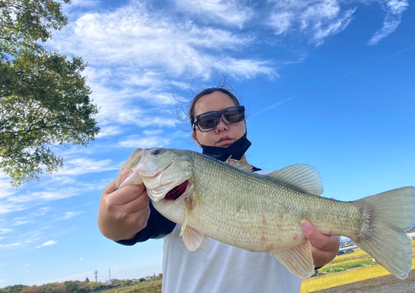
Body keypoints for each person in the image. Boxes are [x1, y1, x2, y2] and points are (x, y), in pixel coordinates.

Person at [98, 87, 340, 293]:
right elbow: (127, 229)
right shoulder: (170, 194)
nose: (222, 126)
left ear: (244, 122)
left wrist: (320, 254)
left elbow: (309, 256)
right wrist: (110, 221)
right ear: (196, 136)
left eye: (232, 116)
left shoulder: (278, 184)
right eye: (208, 121)